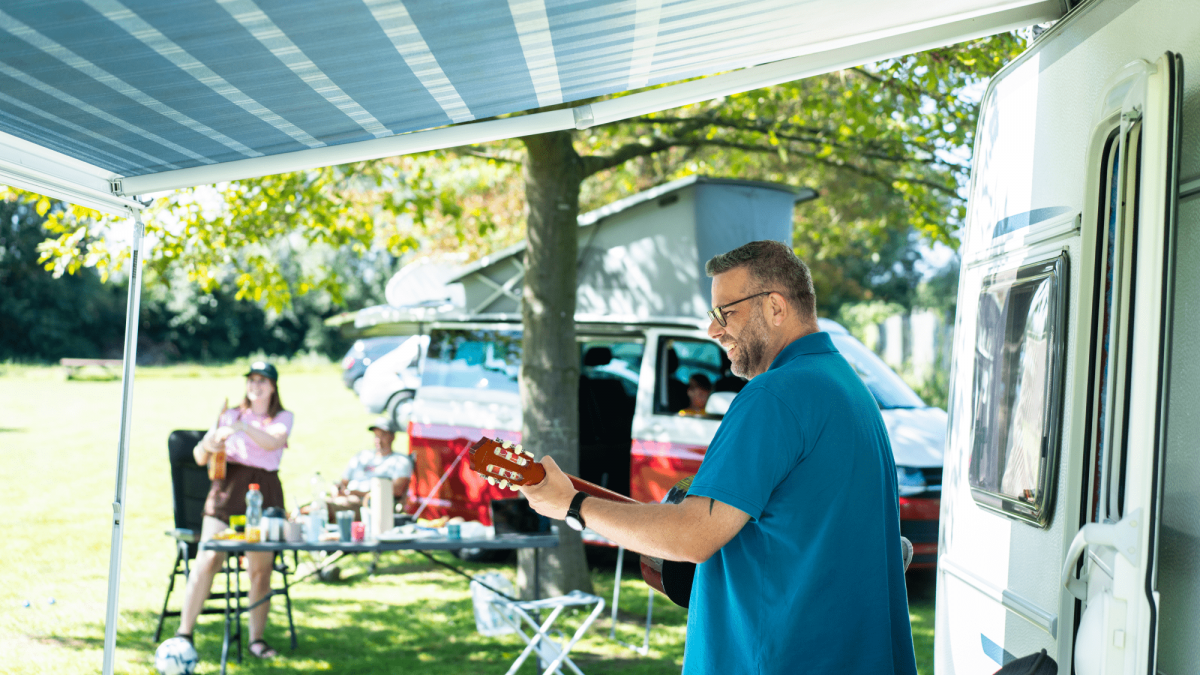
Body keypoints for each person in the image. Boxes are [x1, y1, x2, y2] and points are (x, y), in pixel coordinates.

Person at [520, 240, 917, 674]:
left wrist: (572, 504)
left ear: (775, 307)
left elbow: (692, 535)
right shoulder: (847, 386)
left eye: (725, 313)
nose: (713, 330)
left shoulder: (773, 395)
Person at [174, 361, 293, 660]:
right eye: (251, 380)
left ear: (273, 386)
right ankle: (184, 635)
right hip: (227, 491)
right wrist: (210, 441)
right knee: (208, 558)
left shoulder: (281, 417)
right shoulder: (228, 414)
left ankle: (256, 640)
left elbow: (273, 442)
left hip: (264, 493)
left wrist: (242, 427)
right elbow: (200, 456)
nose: (256, 385)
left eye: (262, 380)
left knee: (260, 570)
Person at [324, 416, 413, 519]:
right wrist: (337, 489)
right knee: (316, 505)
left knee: (322, 509)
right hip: (346, 499)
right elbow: (343, 482)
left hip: (370, 506)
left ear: (392, 437)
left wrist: (356, 493)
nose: (378, 440)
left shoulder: (400, 461)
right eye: (376, 436)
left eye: (383, 435)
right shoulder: (362, 456)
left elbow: (396, 490)